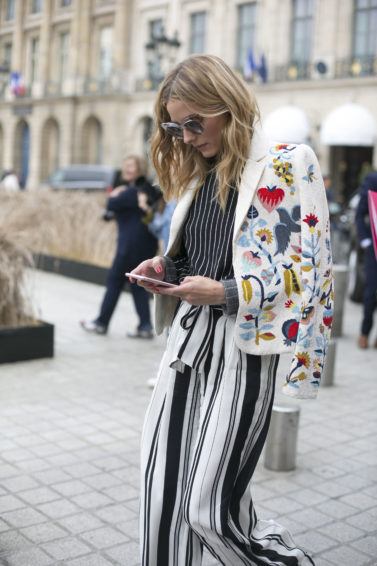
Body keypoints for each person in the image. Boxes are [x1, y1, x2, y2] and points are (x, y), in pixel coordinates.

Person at [130, 55, 333, 566]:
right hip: (186, 341)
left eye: (194, 123)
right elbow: (195, 258)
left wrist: (226, 292)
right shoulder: (201, 176)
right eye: (175, 126)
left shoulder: (290, 163)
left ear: (229, 106)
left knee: (211, 510)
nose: (186, 136)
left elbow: (308, 271)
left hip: (244, 350)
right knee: (161, 496)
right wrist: (165, 268)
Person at [80, 155, 159, 338]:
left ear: (140, 168)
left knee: (114, 281)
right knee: (138, 284)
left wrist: (115, 194)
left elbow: (112, 203)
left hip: (130, 245)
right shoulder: (144, 188)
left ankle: (101, 323)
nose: (127, 169)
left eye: (131, 166)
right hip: (145, 244)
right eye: (125, 166)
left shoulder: (135, 190)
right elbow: (114, 213)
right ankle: (145, 326)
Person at [355, 171, 377, 349]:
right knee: (371, 291)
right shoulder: (373, 179)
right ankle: (364, 332)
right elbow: (360, 213)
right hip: (374, 245)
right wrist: (366, 240)